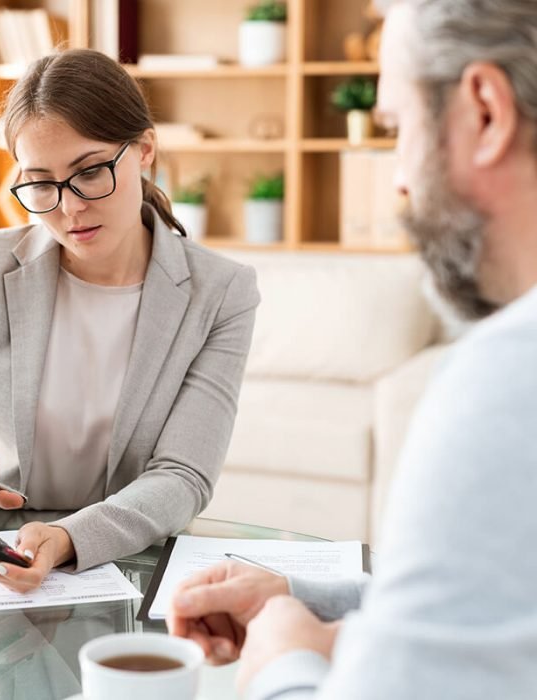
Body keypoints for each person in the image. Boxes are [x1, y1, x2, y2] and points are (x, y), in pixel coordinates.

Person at [168, 1, 537, 698]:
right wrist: (306, 603)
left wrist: (282, 656)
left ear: (484, 112)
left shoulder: (507, 384)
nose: (397, 178)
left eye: (396, 128)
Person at [0, 48, 260, 593]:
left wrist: (68, 537)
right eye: (40, 183)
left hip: (125, 566)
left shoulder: (221, 292)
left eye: (91, 172)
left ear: (145, 149)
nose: (69, 208)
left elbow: (183, 477)